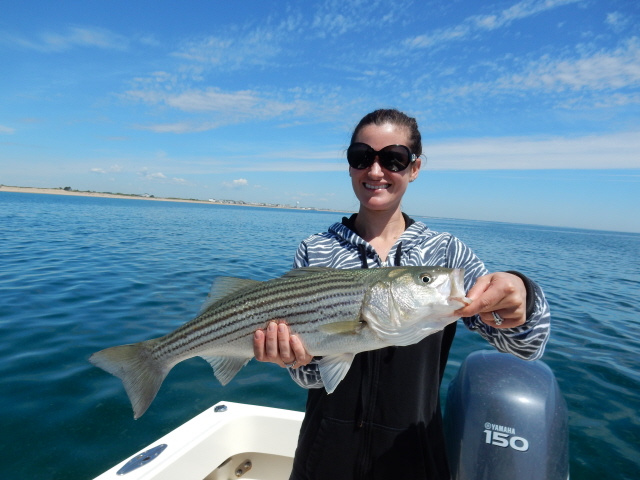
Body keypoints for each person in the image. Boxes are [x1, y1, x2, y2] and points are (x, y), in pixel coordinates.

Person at [253, 108, 550, 480]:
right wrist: (293, 360)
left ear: (414, 168)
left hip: (413, 455)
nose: (375, 171)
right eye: (361, 157)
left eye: (393, 159)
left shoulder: (445, 255)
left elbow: (526, 346)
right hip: (324, 454)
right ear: (349, 165)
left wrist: (522, 295)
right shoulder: (316, 249)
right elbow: (312, 378)